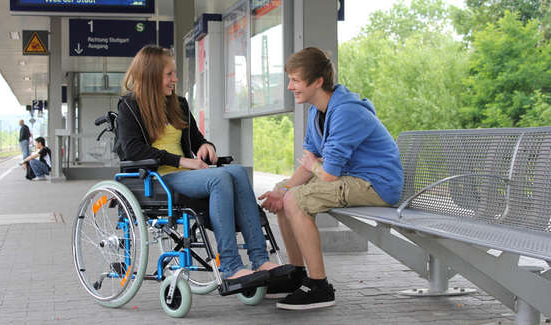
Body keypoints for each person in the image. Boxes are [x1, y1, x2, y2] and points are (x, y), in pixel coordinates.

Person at [116, 45, 292, 291]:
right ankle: (231, 267)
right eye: (169, 74)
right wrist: (182, 161)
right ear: (152, 74)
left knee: (238, 172)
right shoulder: (130, 106)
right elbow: (132, 149)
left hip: (186, 175)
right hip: (158, 180)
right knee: (219, 179)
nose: (175, 79)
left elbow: (196, 139)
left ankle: (260, 260)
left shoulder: (177, 103)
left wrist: (206, 146)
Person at [259, 47, 404, 310]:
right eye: (289, 80)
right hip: (350, 177)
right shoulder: (318, 110)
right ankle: (296, 273)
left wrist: (310, 170)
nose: (290, 87)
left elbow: (327, 173)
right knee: (284, 191)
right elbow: (311, 162)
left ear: (317, 82)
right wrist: (285, 188)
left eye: (296, 81)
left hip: (377, 184)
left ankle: (319, 286)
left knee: (296, 199)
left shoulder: (346, 111)